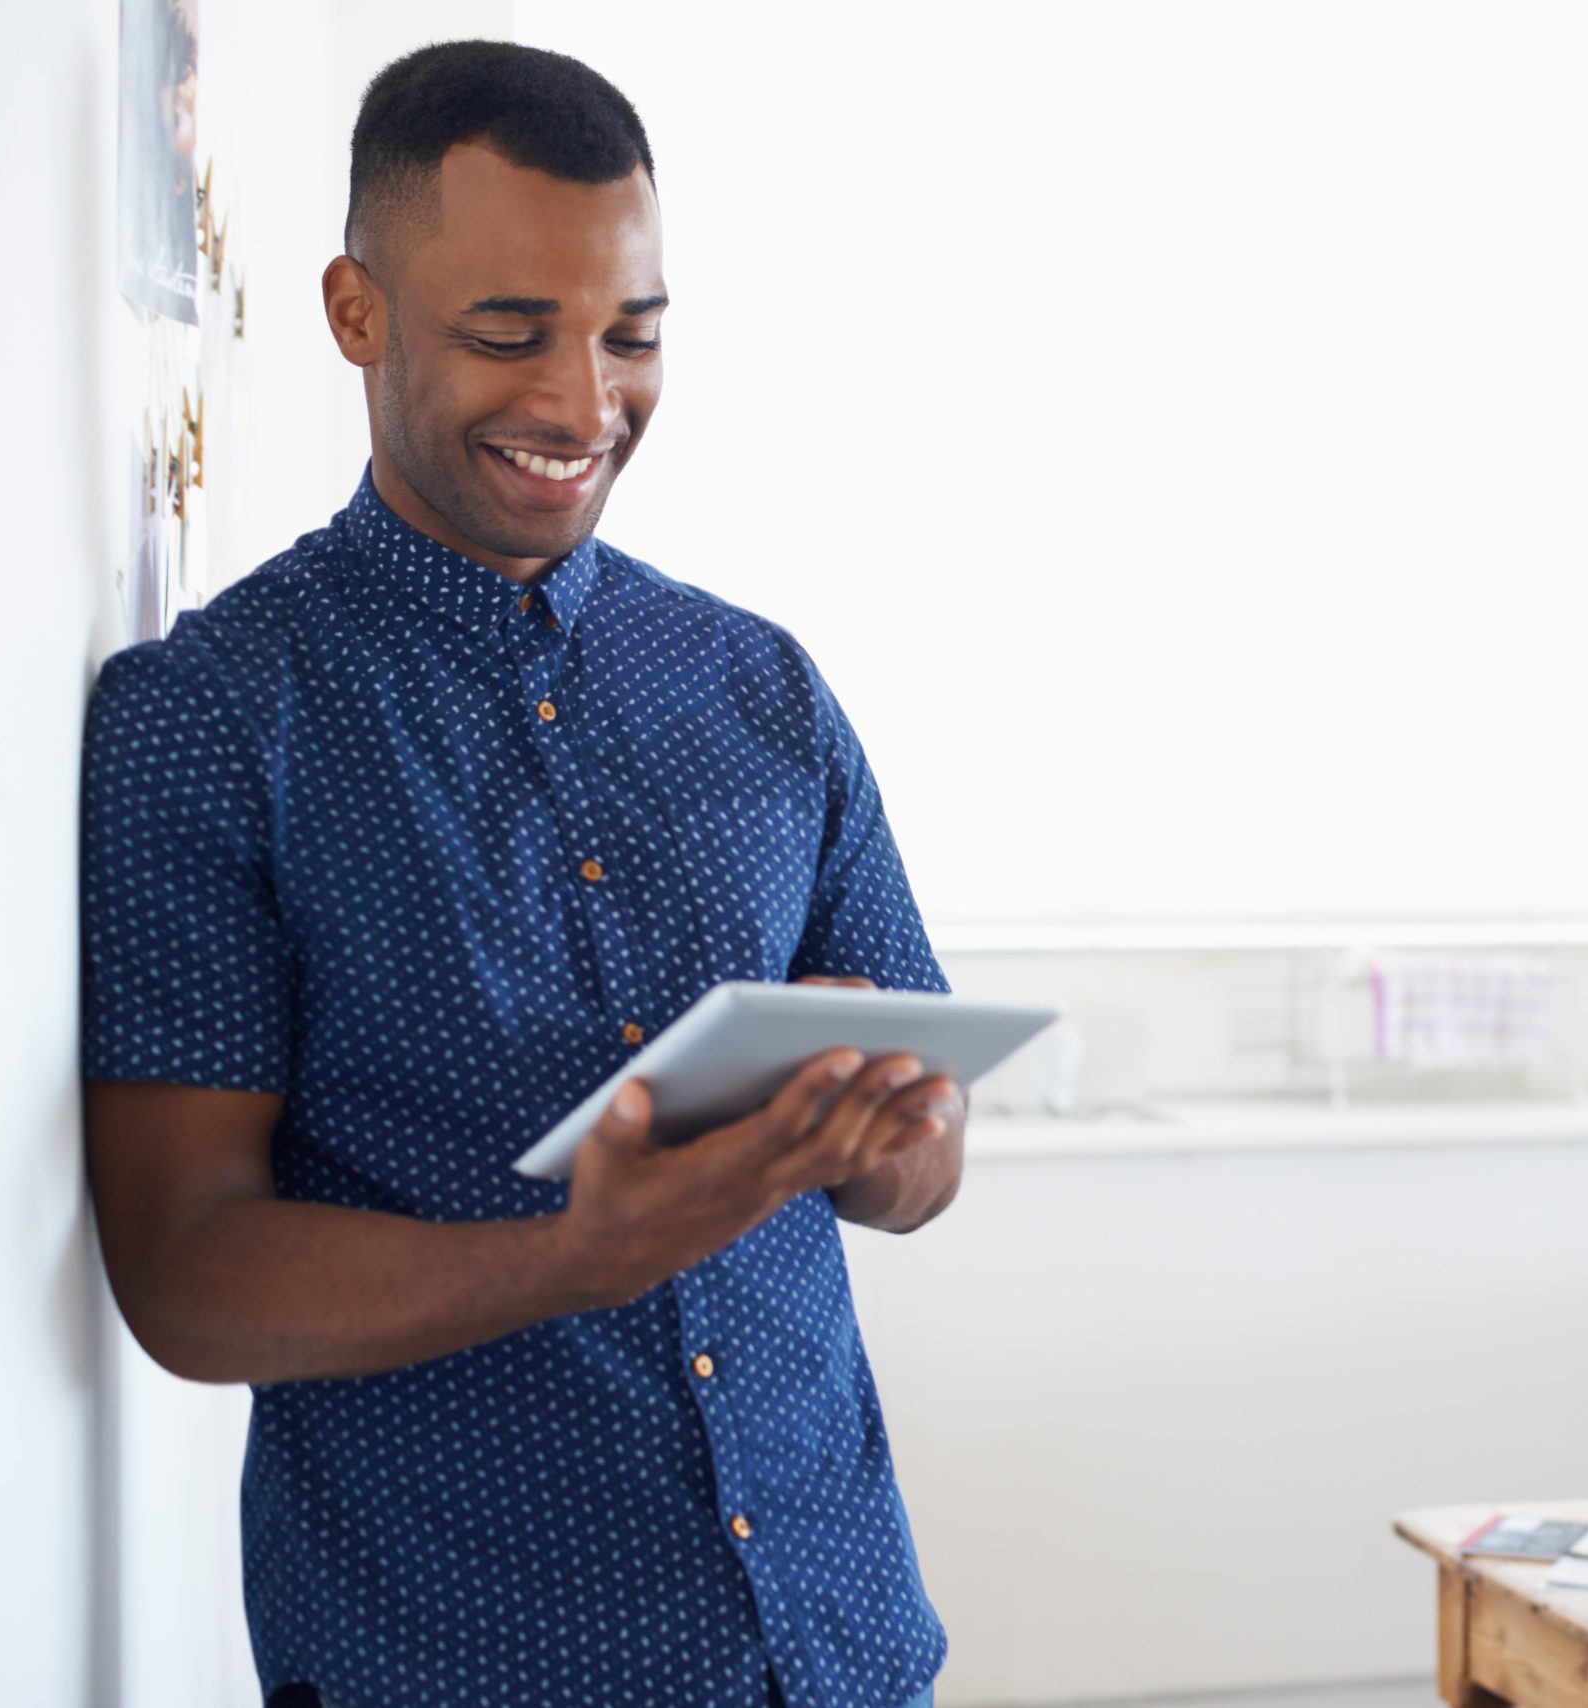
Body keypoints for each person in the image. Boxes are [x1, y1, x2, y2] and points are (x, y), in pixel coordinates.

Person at [80, 41, 961, 1708]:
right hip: (463, 1666)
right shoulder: (208, 721)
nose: (581, 403)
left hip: (843, 1647)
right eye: (509, 334)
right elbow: (186, 1276)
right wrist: (577, 1256)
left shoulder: (762, 686)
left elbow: (923, 1166)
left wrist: (886, 1139)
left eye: (632, 336)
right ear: (356, 311)